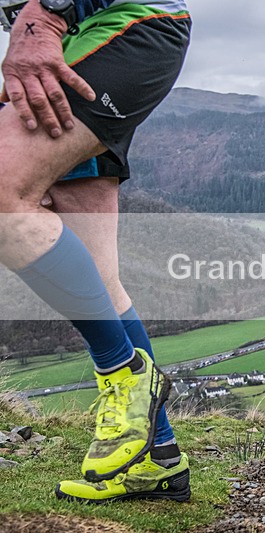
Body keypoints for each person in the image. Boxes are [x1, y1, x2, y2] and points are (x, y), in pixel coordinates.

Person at [0, 0, 191, 502]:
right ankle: (159, 459)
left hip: (112, 29)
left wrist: (45, 16)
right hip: (80, 46)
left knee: (2, 195)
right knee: (101, 279)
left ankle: (123, 374)